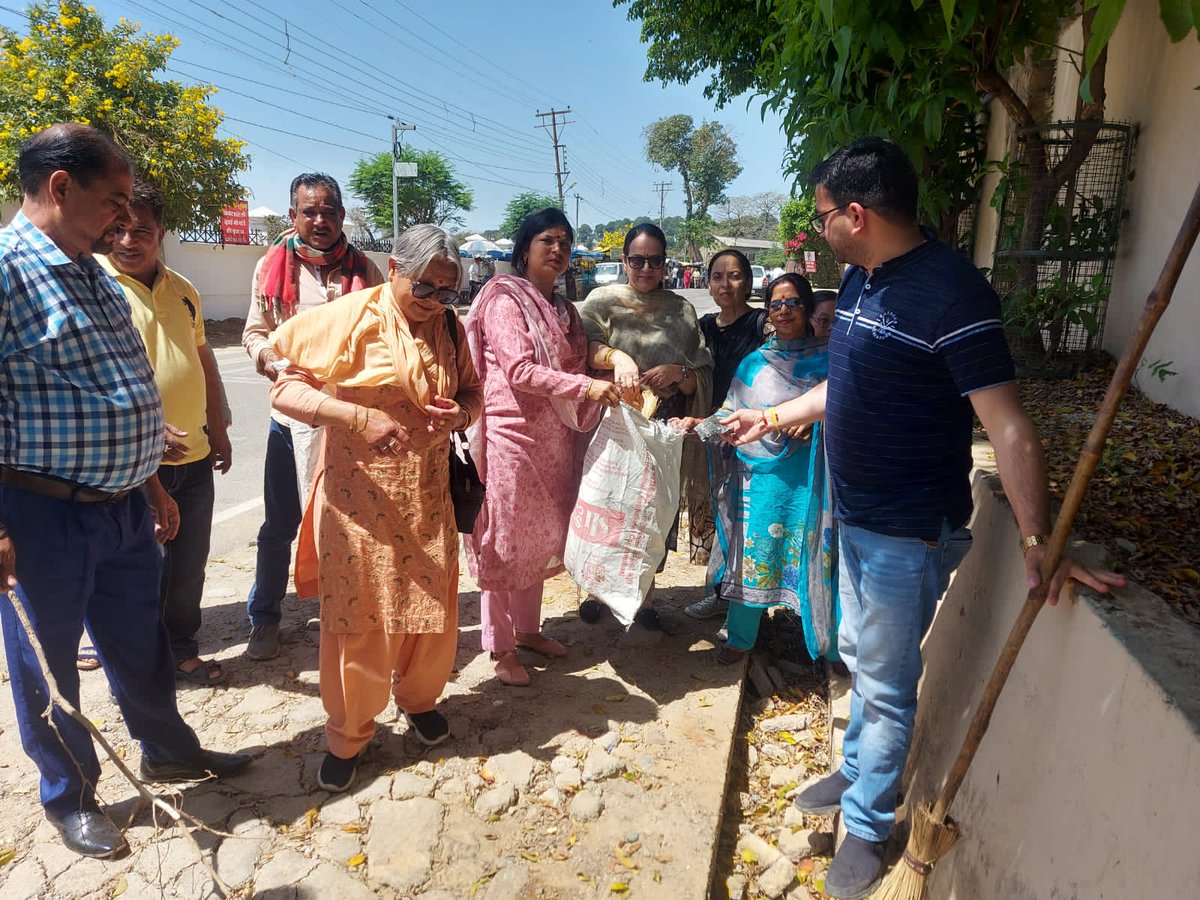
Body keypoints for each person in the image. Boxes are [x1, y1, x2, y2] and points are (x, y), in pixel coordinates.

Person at [720, 137, 1126, 898]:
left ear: (857, 214)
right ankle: (858, 766)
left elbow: (1008, 426)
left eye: (821, 217)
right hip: (858, 515)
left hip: (908, 530)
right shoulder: (869, 281)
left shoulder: (951, 294)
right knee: (859, 653)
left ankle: (870, 829)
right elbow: (846, 389)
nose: (816, 231)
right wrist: (772, 419)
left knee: (887, 677)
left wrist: (1040, 540)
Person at [0, 123, 252, 860]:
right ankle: (70, 798)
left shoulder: (87, 267)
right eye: (112, 199)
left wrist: (150, 486)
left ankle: (168, 750)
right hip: (40, 513)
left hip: (122, 508)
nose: (124, 215)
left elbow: (127, 387)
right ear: (59, 188)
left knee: (139, 643)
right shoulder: (7, 271)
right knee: (46, 667)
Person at [269, 224, 482, 792]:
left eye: (447, 291)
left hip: (427, 497)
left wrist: (457, 417)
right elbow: (285, 391)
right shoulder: (349, 319)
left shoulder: (448, 327)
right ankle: (350, 733)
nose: (435, 301)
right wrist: (358, 417)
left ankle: (418, 701)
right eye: (426, 287)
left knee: (430, 614)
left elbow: (473, 395)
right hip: (357, 501)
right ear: (393, 268)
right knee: (360, 619)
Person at [464, 208, 620, 686]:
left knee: (539, 537)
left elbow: (578, 360)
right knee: (504, 541)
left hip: (556, 438)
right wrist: (588, 389)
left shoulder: (565, 309)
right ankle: (500, 646)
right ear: (524, 248)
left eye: (565, 243)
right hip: (511, 438)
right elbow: (519, 371)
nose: (558, 250)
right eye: (548, 241)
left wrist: (615, 373)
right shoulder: (504, 298)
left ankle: (529, 631)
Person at [241, 173, 384, 661]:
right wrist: (274, 362)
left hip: (350, 417)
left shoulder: (367, 270)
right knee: (281, 522)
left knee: (353, 522)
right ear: (293, 216)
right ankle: (264, 617)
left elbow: (386, 333)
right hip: (292, 415)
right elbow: (254, 333)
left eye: (329, 211)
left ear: (342, 216)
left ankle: (349, 607)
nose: (320, 220)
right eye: (310, 211)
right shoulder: (270, 266)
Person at [100, 179, 232, 687]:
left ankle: (181, 649)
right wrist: (145, 432)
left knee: (188, 565)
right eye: (119, 230)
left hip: (194, 458)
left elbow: (204, 361)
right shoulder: (98, 288)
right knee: (133, 569)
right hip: (131, 466)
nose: (128, 241)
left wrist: (218, 426)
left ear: (162, 234)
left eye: (141, 231)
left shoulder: (184, 291)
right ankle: (134, 659)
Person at [688, 274, 838, 665]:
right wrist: (697, 426)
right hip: (762, 483)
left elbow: (852, 410)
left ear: (807, 309)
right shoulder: (756, 362)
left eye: (793, 303)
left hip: (812, 481)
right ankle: (741, 638)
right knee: (754, 554)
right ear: (768, 312)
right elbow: (729, 411)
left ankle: (830, 645)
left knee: (818, 557)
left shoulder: (834, 359)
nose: (784, 310)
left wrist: (818, 422)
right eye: (776, 304)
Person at [579, 223, 713, 629]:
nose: (646, 268)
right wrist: (618, 359)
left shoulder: (681, 310)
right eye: (637, 259)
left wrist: (679, 372)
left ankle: (646, 597)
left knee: (653, 512)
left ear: (664, 263)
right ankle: (597, 591)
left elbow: (700, 374)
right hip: (612, 423)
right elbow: (581, 352)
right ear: (623, 260)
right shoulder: (601, 301)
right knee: (610, 504)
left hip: (661, 429)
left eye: (655, 260)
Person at [685, 249, 770, 620]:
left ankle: (749, 599)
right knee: (720, 515)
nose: (726, 284)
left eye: (734, 275)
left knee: (750, 516)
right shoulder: (702, 328)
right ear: (708, 283)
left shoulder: (762, 324)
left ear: (749, 281)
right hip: (713, 433)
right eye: (717, 276)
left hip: (756, 436)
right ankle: (720, 592)